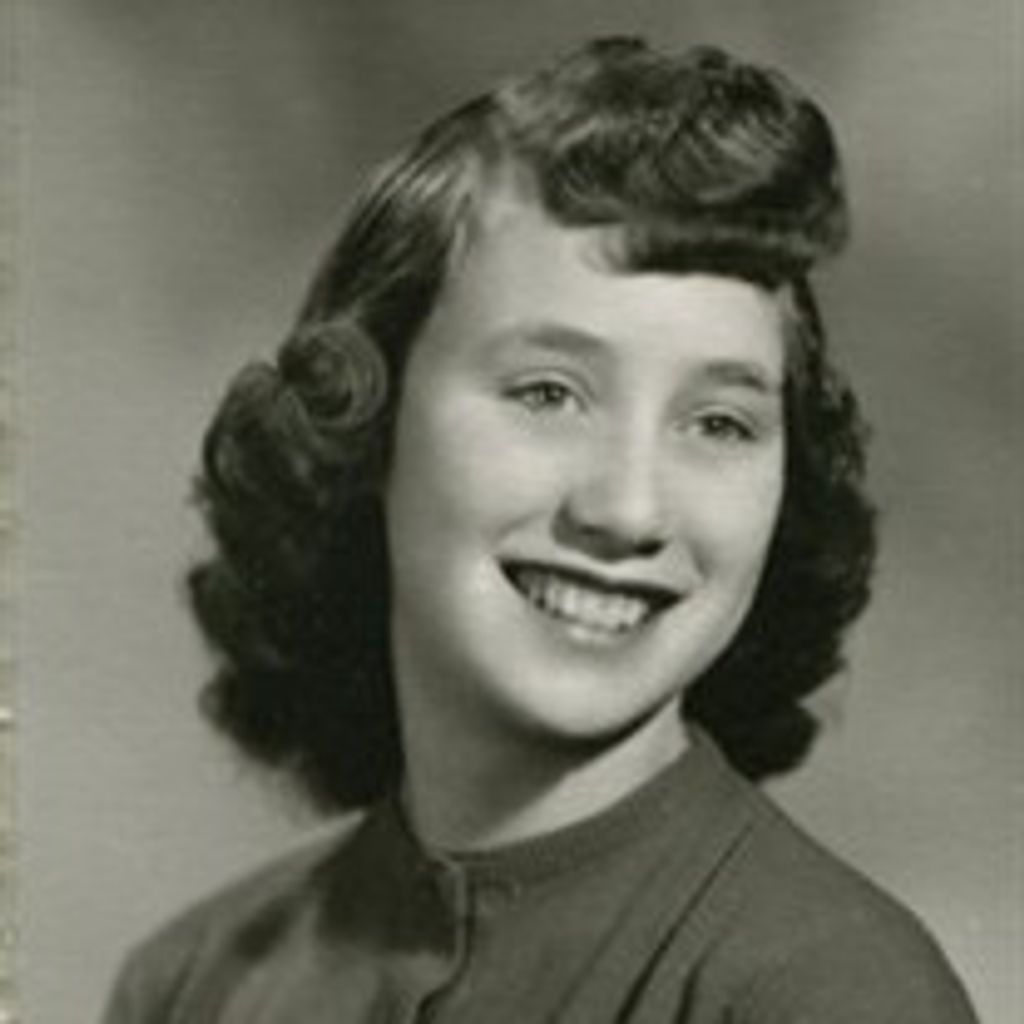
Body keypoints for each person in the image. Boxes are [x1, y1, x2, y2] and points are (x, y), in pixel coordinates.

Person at [102, 38, 979, 1022]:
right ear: (369, 422)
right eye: (549, 393)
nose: (629, 509)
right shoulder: (197, 981)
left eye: (719, 423)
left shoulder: (827, 990)